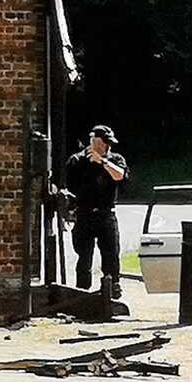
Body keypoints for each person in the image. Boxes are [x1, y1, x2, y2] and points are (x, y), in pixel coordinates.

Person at [65, 125, 129, 299]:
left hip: (106, 213)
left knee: (111, 254)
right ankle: (82, 292)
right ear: (94, 141)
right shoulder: (77, 161)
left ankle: (112, 289)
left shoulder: (115, 159)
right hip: (84, 214)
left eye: (108, 143)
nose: (107, 146)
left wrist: (103, 161)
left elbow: (120, 176)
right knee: (84, 256)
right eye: (103, 143)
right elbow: (69, 187)